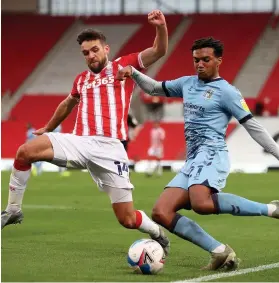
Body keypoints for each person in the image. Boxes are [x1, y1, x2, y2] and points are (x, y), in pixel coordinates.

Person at [1, 10, 170, 255]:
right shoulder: (81, 80)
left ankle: (157, 233)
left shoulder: (124, 66)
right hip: (80, 142)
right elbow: (68, 103)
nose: (90, 56)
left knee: (127, 219)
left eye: (94, 50)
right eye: (85, 53)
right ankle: (13, 209)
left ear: (106, 49)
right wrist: (48, 127)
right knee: (25, 152)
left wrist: (161, 27)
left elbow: (159, 50)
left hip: (111, 148)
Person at [116, 37, 279, 270]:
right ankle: (219, 251)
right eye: (196, 60)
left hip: (213, 154)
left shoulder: (227, 92)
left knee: (200, 203)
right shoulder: (187, 83)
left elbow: (253, 127)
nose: (200, 64)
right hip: (193, 159)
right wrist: (134, 72)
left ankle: (272, 209)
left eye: (206, 59)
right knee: (161, 212)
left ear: (218, 61)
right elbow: (154, 88)